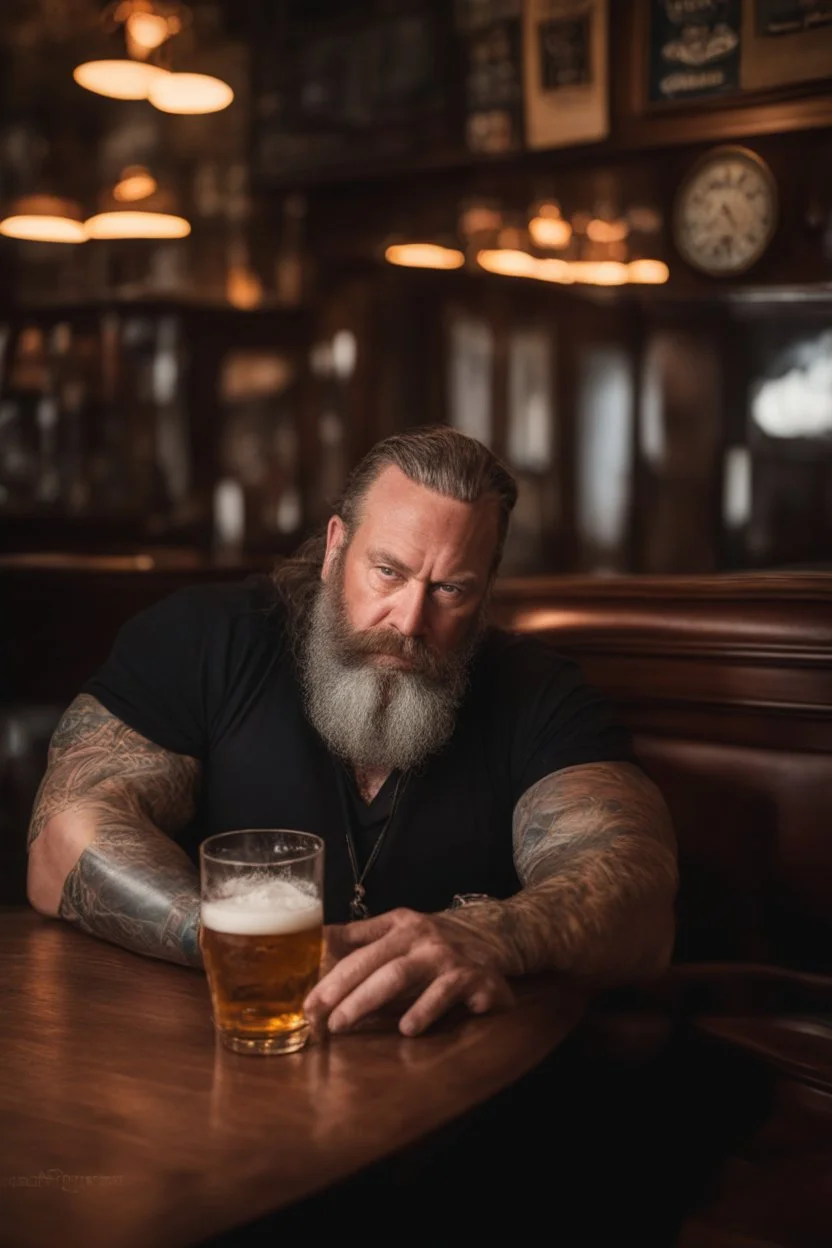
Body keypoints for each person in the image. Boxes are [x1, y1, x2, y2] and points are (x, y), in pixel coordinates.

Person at [26, 425, 678, 1039]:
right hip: (211, 1053)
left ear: (485, 592)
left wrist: (496, 934)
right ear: (337, 546)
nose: (410, 620)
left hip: (444, 1087)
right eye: (388, 571)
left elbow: (638, 895)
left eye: (450, 588)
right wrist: (246, 943)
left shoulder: (539, 693)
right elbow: (63, 839)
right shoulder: (205, 639)